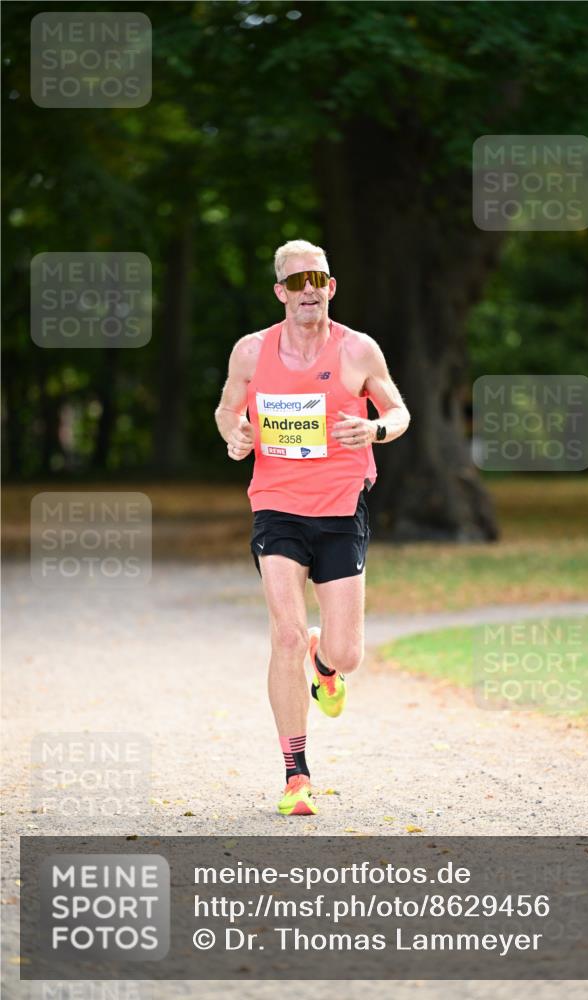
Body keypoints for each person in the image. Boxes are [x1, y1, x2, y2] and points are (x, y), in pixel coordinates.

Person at [215, 239, 410, 816]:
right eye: (298, 282)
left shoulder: (357, 350)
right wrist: (235, 435)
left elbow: (398, 411)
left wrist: (374, 431)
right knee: (286, 636)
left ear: (331, 287)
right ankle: (295, 775)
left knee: (347, 653)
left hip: (341, 508)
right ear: (281, 292)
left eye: (318, 280)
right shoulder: (252, 352)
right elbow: (227, 409)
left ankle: (326, 666)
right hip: (276, 506)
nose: (309, 291)